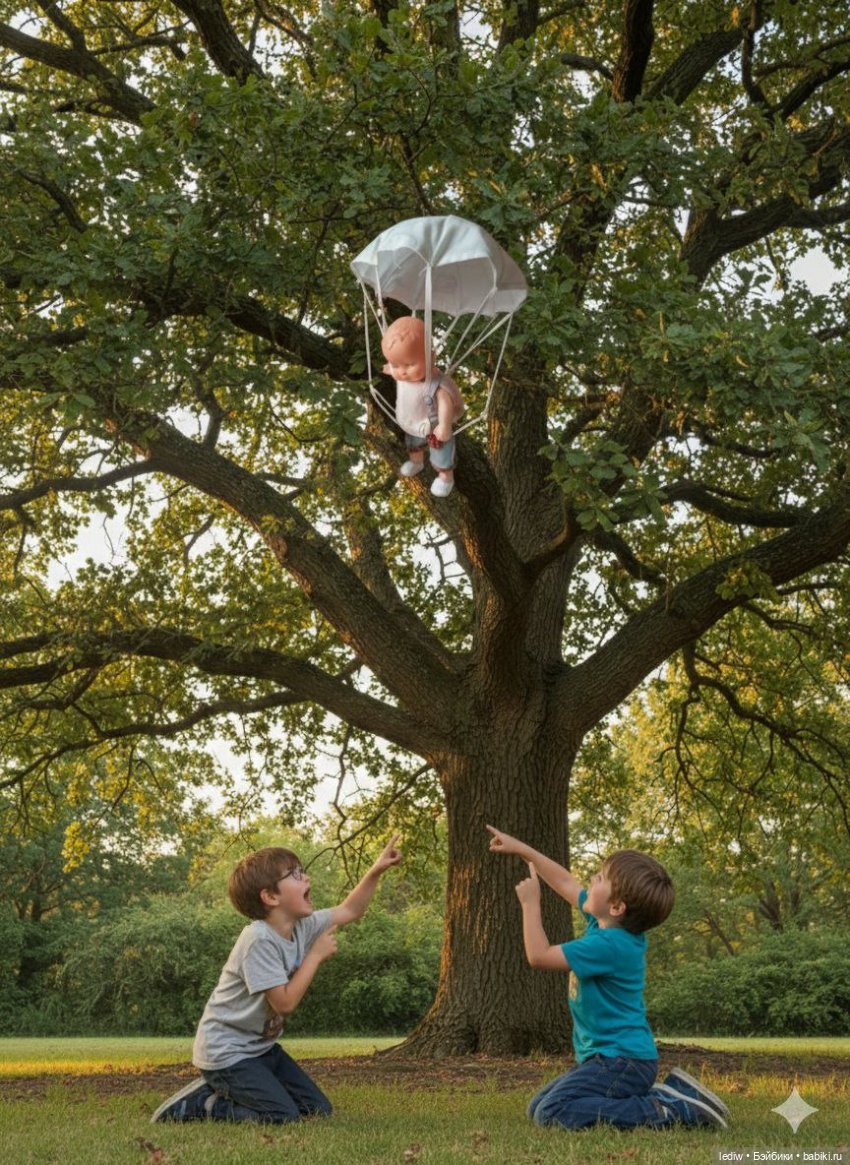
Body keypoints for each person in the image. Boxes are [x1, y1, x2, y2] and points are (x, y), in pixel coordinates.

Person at [486, 825, 729, 1131]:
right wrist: (522, 848)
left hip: (621, 1062)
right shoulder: (607, 925)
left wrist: (530, 904)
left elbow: (539, 955)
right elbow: (564, 881)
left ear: (616, 906)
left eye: (600, 878)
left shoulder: (609, 945)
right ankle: (668, 1095)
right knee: (538, 1106)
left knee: (552, 1111)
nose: (591, 879)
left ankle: (667, 1110)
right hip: (612, 1060)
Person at [150, 835, 402, 1125]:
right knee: (283, 1116)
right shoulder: (258, 940)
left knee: (319, 1111)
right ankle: (206, 1104)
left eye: (301, 871)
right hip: (226, 1053)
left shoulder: (301, 925)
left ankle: (232, 1089)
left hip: (261, 1050)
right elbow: (283, 1004)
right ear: (271, 897)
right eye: (295, 875)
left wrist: (376, 870)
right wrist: (315, 957)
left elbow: (349, 910)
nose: (306, 876)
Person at [380, 316, 464, 498]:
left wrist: (444, 424)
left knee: (441, 453)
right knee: (413, 444)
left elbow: (445, 402)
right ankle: (416, 462)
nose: (402, 371)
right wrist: (389, 368)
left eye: (409, 365)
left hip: (434, 428)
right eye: (396, 364)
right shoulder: (401, 374)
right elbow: (393, 366)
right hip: (412, 423)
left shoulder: (435, 383)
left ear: (431, 358)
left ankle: (445, 477)